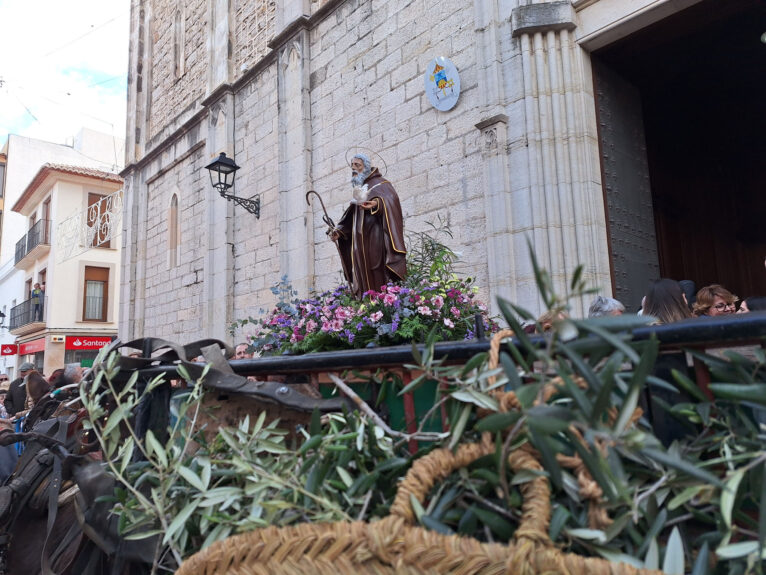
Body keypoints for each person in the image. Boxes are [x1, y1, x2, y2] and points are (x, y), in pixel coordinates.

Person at [329, 153, 406, 299]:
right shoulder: (360, 188)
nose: (354, 169)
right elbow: (351, 216)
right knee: (361, 272)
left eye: (357, 165)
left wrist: (377, 204)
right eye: (352, 166)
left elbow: (391, 201)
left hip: (374, 237)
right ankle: (365, 305)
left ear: (366, 166)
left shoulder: (381, 184)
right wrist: (339, 231)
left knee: (375, 268)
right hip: (359, 242)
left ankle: (380, 303)